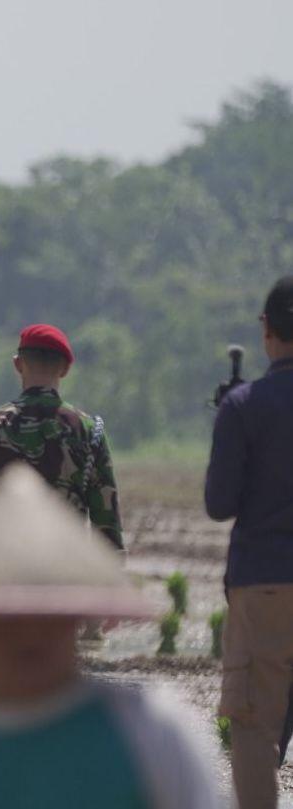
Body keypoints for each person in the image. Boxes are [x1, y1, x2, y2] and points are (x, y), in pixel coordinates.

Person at [0, 464, 218, 809]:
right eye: (2, 620)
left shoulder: (151, 736)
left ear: (74, 617)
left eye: (46, 615)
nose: (28, 634)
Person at [206, 276, 293, 809]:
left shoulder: (244, 406)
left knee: (255, 724)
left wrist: (231, 420)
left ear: (266, 330)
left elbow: (220, 503)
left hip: (264, 581)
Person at [0, 323, 122, 548]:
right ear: (65, 370)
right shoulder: (88, 430)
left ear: (17, 364)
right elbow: (106, 522)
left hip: (1, 567)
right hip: (66, 565)